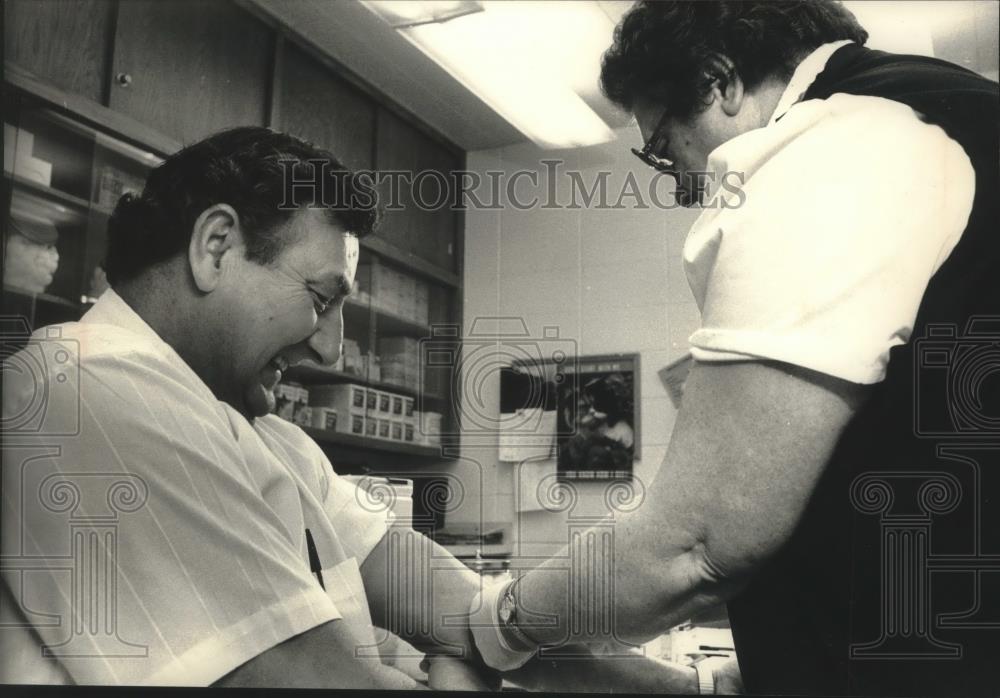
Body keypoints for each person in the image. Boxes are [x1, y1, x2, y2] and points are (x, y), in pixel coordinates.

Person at [1, 126, 726, 691]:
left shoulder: (274, 442)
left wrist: (692, 686)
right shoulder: (81, 391)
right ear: (215, 246)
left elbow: (473, 616)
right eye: (320, 300)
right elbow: (304, 678)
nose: (332, 349)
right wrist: (462, 671)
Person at [469, 2, 999, 696]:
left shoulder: (837, 143)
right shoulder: (936, 115)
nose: (683, 185)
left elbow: (695, 545)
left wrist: (500, 622)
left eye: (664, 148)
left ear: (720, 81)